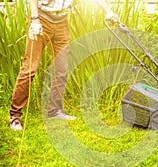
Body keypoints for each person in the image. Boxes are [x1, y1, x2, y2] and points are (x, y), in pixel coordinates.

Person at [9, 0, 119, 131]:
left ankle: (54, 111)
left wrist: (108, 11)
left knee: (62, 69)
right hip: (41, 20)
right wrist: (34, 19)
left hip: (61, 23)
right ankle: (14, 115)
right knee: (29, 69)